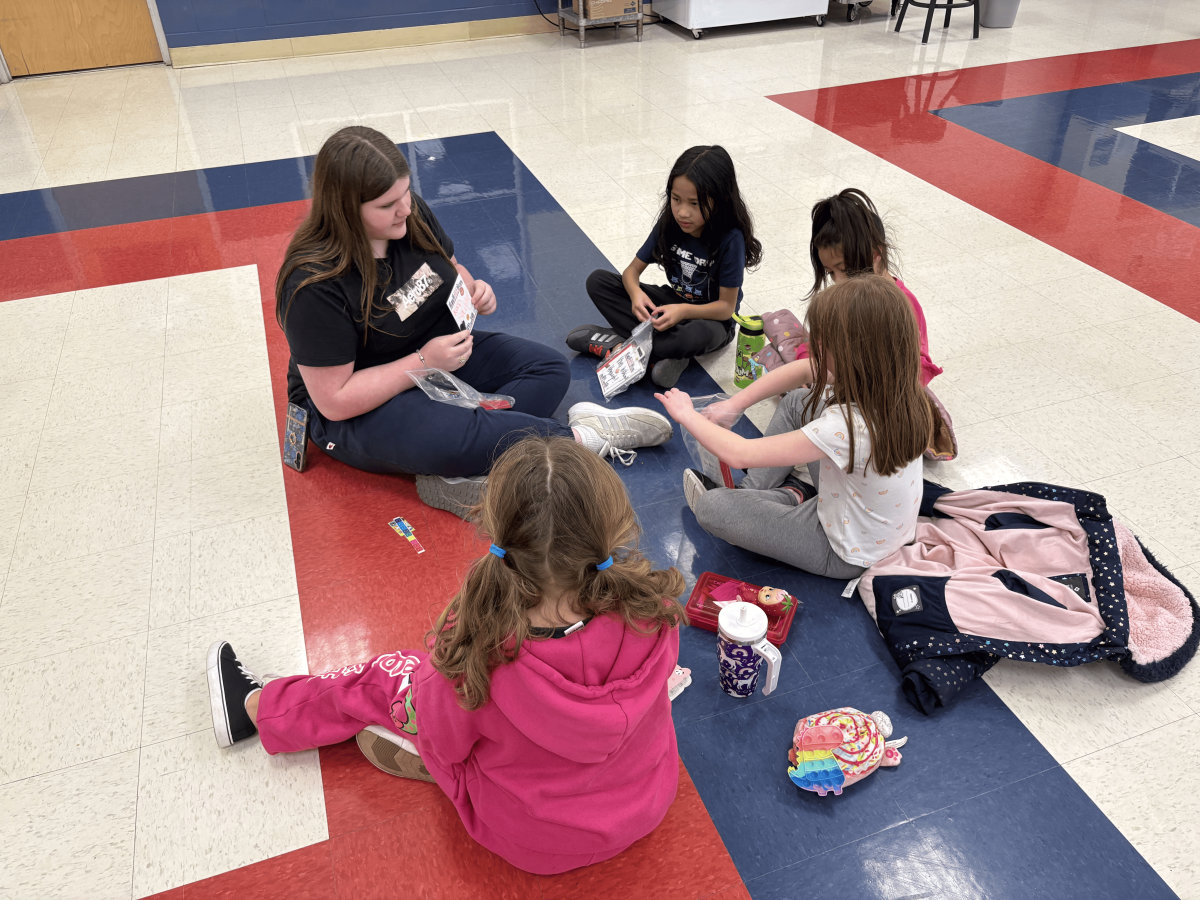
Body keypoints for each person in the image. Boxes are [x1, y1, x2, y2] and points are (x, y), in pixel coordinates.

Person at [206, 436, 687, 875]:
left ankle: (257, 707)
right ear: (612, 528)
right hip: (645, 804)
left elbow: (444, 739)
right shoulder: (655, 611)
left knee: (389, 676)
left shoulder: (477, 648)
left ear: (494, 529)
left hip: (530, 838)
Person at [275, 126, 673, 517]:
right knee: (451, 434)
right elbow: (334, 400)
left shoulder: (410, 216)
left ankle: (468, 457)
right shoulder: (313, 284)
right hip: (365, 396)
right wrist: (423, 362)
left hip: (435, 356)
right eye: (387, 205)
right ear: (345, 209)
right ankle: (580, 438)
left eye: (406, 193)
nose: (406, 209)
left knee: (549, 370)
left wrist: (473, 288)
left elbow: (449, 268)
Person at [656, 275, 934, 579]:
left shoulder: (847, 427)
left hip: (843, 553)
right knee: (799, 401)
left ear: (851, 354)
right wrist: (735, 405)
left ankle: (786, 495)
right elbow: (803, 369)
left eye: (824, 342)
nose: (814, 346)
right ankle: (772, 493)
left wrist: (687, 414)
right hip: (870, 527)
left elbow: (739, 454)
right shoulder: (899, 388)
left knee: (712, 507)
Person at [566, 145, 762, 390]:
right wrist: (636, 294)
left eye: (695, 203)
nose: (682, 212)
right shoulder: (669, 223)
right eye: (676, 199)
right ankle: (667, 355)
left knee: (693, 336)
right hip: (672, 304)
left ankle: (618, 344)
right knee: (598, 281)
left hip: (711, 321)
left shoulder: (730, 239)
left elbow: (726, 308)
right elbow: (631, 272)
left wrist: (683, 312)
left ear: (719, 201)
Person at [804, 188, 942, 386]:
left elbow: (915, 373)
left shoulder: (902, 305)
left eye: (844, 269)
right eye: (830, 272)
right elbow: (817, 346)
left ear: (875, 254)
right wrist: (810, 366)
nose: (838, 281)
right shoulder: (841, 298)